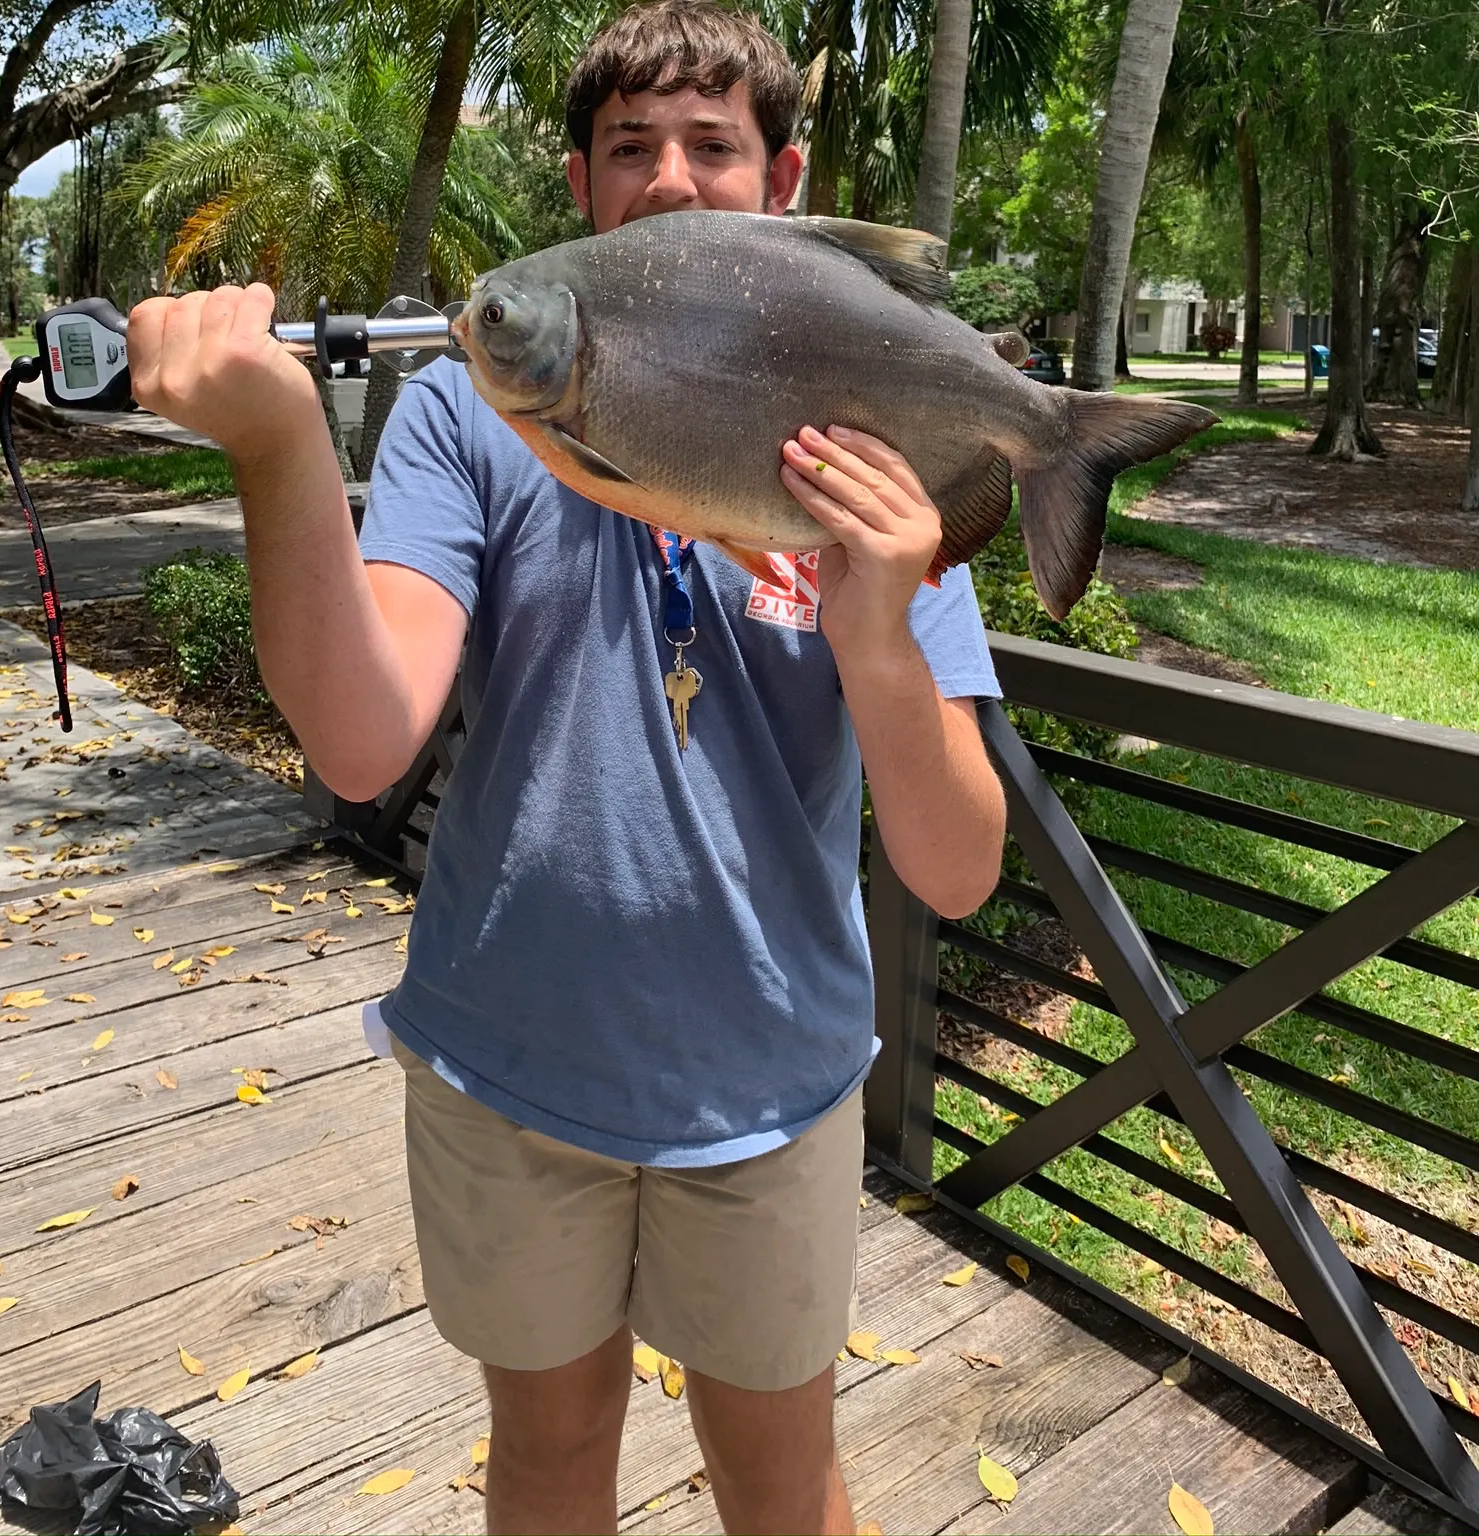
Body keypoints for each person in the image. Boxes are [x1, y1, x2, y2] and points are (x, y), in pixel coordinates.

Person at [127, 4, 1006, 1530]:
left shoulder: (874, 448)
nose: (669, 176)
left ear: (783, 182)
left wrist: (880, 631)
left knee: (784, 1477)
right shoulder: (470, 411)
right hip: (505, 1068)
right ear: (585, 194)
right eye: (628, 147)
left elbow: (957, 867)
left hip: (773, 1080)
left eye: (713, 145)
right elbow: (358, 737)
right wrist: (281, 451)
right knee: (544, 1454)